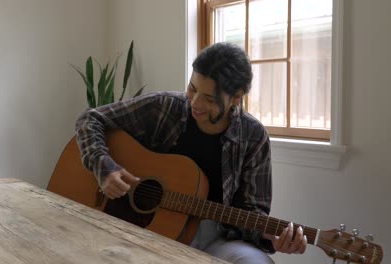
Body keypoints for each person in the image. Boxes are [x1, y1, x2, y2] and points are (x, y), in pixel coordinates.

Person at [75, 42, 307, 264]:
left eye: (208, 98)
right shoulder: (164, 107)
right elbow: (91, 118)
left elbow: (252, 211)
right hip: (147, 229)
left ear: (236, 97)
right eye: (192, 89)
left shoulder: (253, 137)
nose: (195, 103)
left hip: (215, 236)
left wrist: (270, 236)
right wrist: (104, 168)